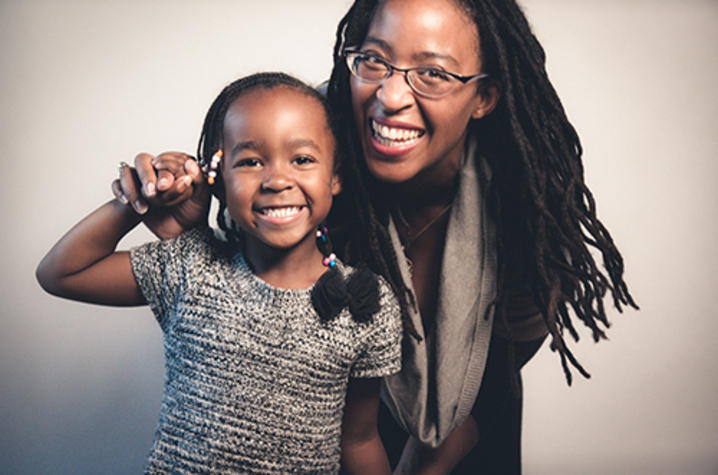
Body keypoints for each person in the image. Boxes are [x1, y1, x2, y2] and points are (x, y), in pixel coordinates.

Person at [117, 0, 637, 472]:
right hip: (321, 443)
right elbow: (244, 289)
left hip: (470, 434)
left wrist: (425, 460)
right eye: (374, 61)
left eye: (432, 72)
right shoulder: (309, 159)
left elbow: (507, 358)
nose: (390, 96)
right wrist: (186, 227)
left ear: (485, 96)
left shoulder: (525, 196)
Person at [37, 72, 407, 473]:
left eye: (302, 159)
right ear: (217, 178)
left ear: (335, 176)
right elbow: (62, 273)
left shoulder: (364, 302)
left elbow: (359, 438)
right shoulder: (191, 267)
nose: (277, 180)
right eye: (249, 161)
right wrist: (138, 199)